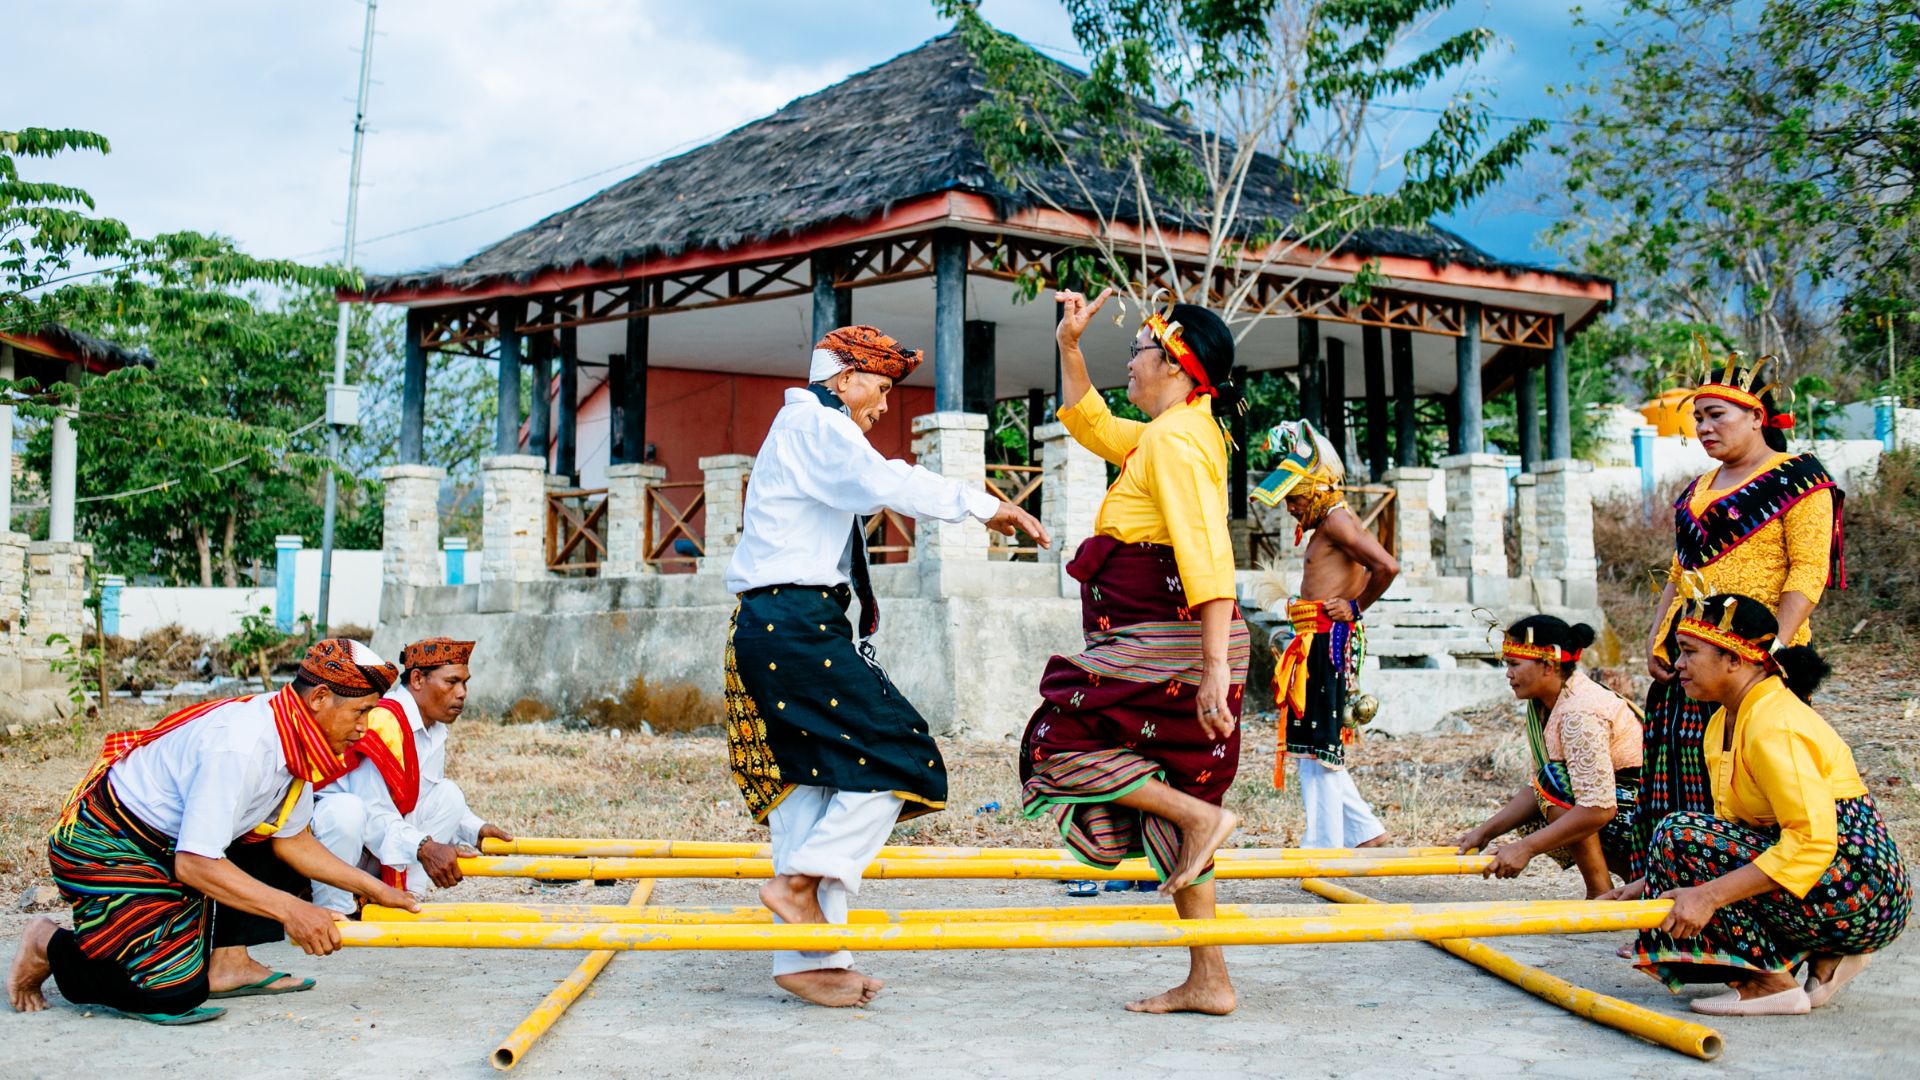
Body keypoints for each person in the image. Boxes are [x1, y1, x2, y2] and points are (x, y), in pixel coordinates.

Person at [724, 325, 1049, 1008]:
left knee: (815, 786)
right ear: (844, 378)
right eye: (879, 386)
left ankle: (811, 959)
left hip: (782, 624)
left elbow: (866, 488)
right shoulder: (818, 424)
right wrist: (983, 506)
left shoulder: (806, 427)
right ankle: (801, 886)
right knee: (901, 754)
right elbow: (886, 480)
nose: (883, 404)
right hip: (791, 627)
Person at [1018, 289, 1250, 1016]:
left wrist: (1213, 666)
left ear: (1176, 368)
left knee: (1054, 742)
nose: (1131, 366)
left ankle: (1199, 822)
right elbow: (1092, 423)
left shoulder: (1178, 441)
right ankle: (1210, 978)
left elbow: (1208, 554)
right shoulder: (1169, 433)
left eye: (1138, 354)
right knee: (1181, 803)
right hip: (1167, 635)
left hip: (1175, 636)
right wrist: (1069, 346)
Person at [8, 640, 418, 1023]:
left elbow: (292, 841)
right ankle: (49, 944)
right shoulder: (242, 746)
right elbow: (195, 863)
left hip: (175, 848)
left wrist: (377, 888)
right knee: (173, 993)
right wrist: (292, 910)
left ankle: (228, 963)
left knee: (268, 855)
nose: (365, 727)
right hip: (111, 842)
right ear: (320, 698)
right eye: (360, 712)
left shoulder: (295, 737)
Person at [1613, 594, 1907, 1016]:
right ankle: (1811, 955)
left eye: (1690, 652)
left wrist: (1708, 897)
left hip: (1864, 888)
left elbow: (1810, 842)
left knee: (1678, 835)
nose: (1677, 664)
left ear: (1735, 660)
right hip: (1828, 877)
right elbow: (1729, 834)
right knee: (1678, 841)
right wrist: (1649, 882)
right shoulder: (1723, 721)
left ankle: (1770, 981)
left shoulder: (1775, 724)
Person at [1638, 346, 1844, 874]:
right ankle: (1673, 905)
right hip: (1689, 661)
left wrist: (1772, 647)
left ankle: (1752, 911)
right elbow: (1680, 572)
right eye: (1698, 417)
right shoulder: (1695, 491)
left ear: (1757, 416)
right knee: (1681, 784)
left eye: (1716, 415)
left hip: (1753, 663)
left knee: (1754, 788)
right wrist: (1658, 636)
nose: (1704, 427)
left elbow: (1807, 571)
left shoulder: (1799, 478)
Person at [1257, 419, 1400, 849]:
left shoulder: (1337, 522)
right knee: (1314, 745)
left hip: (1327, 644)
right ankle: (1366, 834)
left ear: (1318, 490)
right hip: (1314, 642)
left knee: (1317, 749)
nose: (1291, 508)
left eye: (1296, 498)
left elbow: (1387, 567)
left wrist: (1355, 607)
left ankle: (1325, 848)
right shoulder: (1329, 524)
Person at [310, 637, 512, 913]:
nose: (462, 692)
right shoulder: (382, 723)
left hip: (375, 846)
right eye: (451, 682)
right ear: (417, 679)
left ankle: (405, 898)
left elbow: (426, 795)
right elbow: (373, 816)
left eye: (465, 683)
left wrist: (474, 830)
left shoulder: (434, 729)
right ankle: (335, 910)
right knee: (348, 812)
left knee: (449, 795)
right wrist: (425, 847)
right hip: (333, 839)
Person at [1454, 616, 1642, 898]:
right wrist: (1484, 832)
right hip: (1621, 805)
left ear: (1548, 666)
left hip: (1642, 810)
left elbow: (1599, 808)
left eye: (1515, 664)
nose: (1508, 674)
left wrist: (1524, 848)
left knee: (1556, 784)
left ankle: (1601, 890)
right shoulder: (1547, 704)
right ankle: (1630, 882)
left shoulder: (1579, 713)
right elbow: (1537, 789)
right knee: (1550, 787)